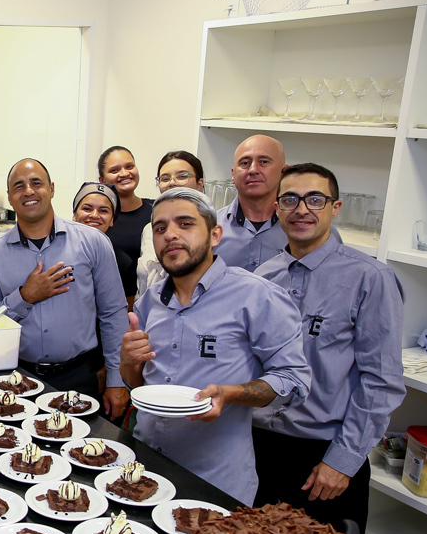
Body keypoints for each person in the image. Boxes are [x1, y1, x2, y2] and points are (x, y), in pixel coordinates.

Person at [120, 188, 310, 505]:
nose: (170, 235)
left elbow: (293, 378)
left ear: (215, 235)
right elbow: (140, 385)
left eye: (185, 224)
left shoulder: (256, 296)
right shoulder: (150, 302)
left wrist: (230, 394)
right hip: (145, 469)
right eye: (160, 228)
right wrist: (128, 362)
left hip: (214, 481)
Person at [252, 163, 405, 534]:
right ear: (276, 207)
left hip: (322, 457)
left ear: (335, 207)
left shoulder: (370, 278)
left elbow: (380, 381)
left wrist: (343, 460)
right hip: (256, 447)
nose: (302, 209)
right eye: (290, 199)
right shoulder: (262, 278)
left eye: (315, 199)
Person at [0, 158, 129, 416]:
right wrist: (24, 297)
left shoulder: (93, 242)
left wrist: (117, 380)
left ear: (52, 189)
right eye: (19, 186)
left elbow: (113, 314)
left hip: (78, 377)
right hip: (17, 379)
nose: (29, 191)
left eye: (36, 183)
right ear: (10, 197)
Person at [213, 134, 290, 272]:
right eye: (245, 163)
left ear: (283, 172)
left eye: (264, 162)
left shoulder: (300, 229)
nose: (253, 170)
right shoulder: (210, 227)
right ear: (233, 174)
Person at [136, 150, 208, 297]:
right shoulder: (150, 229)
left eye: (182, 176)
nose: (172, 183)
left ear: (200, 184)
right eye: (165, 178)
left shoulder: (209, 228)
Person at [71, 181, 135, 306]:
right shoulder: (56, 251)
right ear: (74, 214)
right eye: (87, 209)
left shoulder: (123, 262)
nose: (94, 215)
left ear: (112, 220)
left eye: (103, 211)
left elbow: (125, 309)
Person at [97, 146, 151, 264]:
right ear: (102, 180)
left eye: (129, 167)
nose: (124, 173)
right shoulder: (98, 217)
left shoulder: (156, 210)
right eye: (114, 170)